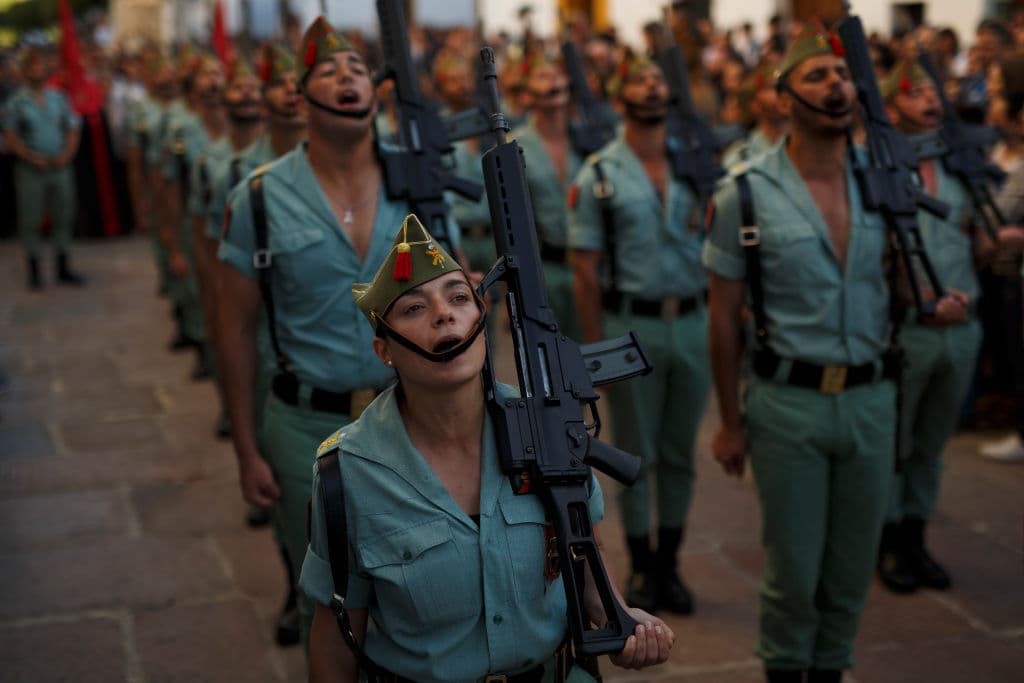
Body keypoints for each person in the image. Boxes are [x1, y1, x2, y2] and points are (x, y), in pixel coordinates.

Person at [703, 26, 968, 683]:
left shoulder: (882, 181)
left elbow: (900, 282)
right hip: (787, 402)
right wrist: (731, 422)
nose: (836, 84)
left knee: (851, 570)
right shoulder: (743, 191)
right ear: (782, 96)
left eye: (842, 74)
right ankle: (788, 669)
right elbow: (721, 316)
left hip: (872, 398)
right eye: (817, 74)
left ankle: (830, 669)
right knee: (793, 571)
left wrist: (932, 304)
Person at [303, 214, 674, 682]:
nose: (444, 313)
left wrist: (621, 620)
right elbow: (337, 635)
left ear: (483, 318)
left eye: (459, 298)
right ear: (385, 351)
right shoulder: (348, 471)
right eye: (414, 308)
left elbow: (583, 557)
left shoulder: (549, 425)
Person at [215, 17, 432, 644]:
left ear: (376, 91)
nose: (346, 78)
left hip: (413, 418)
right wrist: (246, 446)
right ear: (300, 96)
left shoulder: (416, 181)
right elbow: (234, 328)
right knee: (332, 608)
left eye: (358, 69)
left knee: (412, 598)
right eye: (328, 71)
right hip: (307, 426)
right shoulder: (258, 197)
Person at [568, 52, 709, 616]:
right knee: (638, 450)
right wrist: (596, 353)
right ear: (620, 95)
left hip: (693, 320)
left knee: (680, 451)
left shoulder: (695, 164)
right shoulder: (599, 171)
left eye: (658, 78)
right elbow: (585, 268)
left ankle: (671, 563)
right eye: (640, 80)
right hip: (635, 326)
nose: (652, 87)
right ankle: (643, 565)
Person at [205, 43, 308, 646]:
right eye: (283, 84)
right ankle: (298, 587)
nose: (292, 93)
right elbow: (226, 283)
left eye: (301, 83)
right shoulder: (244, 173)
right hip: (275, 350)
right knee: (289, 486)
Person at [875, 60, 985, 592]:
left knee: (930, 444)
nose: (929, 100)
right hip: (910, 327)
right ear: (893, 106)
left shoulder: (962, 167)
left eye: (933, 91)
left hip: (962, 324)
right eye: (914, 92)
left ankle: (916, 535)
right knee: (896, 443)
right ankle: (889, 539)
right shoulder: (881, 170)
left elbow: (974, 237)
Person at [510, 55, 582, 339]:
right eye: (542, 75)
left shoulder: (589, 139)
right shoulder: (515, 145)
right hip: (544, 270)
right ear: (528, 94)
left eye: (556, 74)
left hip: (591, 269)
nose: (551, 80)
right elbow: (510, 223)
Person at [3, 46, 84, 289]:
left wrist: (67, 154)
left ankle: (63, 266)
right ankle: (34, 270)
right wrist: (29, 156)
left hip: (59, 165)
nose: (37, 71)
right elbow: (10, 135)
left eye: (40, 66)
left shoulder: (58, 97)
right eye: (32, 67)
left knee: (64, 214)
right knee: (31, 218)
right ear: (25, 72)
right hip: (31, 169)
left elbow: (72, 127)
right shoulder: (16, 102)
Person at [721, 61, 788, 169]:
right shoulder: (741, 157)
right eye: (771, 87)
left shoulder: (812, 147)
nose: (782, 92)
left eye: (784, 85)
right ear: (754, 104)